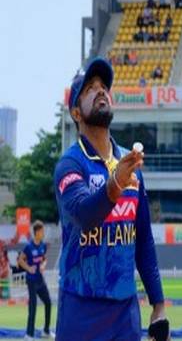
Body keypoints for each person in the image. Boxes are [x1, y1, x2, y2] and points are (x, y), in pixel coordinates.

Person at [54, 58, 168, 340]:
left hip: (125, 314)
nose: (101, 90)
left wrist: (159, 306)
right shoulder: (70, 164)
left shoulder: (129, 164)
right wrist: (116, 183)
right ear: (76, 112)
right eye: (90, 88)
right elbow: (84, 215)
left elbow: (143, 240)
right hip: (80, 310)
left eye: (104, 86)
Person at [18, 220, 53, 340]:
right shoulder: (28, 246)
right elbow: (20, 260)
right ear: (37, 232)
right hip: (31, 281)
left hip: (40, 280)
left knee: (48, 302)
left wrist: (43, 265)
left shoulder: (43, 245)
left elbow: (44, 259)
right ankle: (29, 334)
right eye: (42, 231)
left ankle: (46, 331)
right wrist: (28, 268)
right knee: (32, 307)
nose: (43, 233)